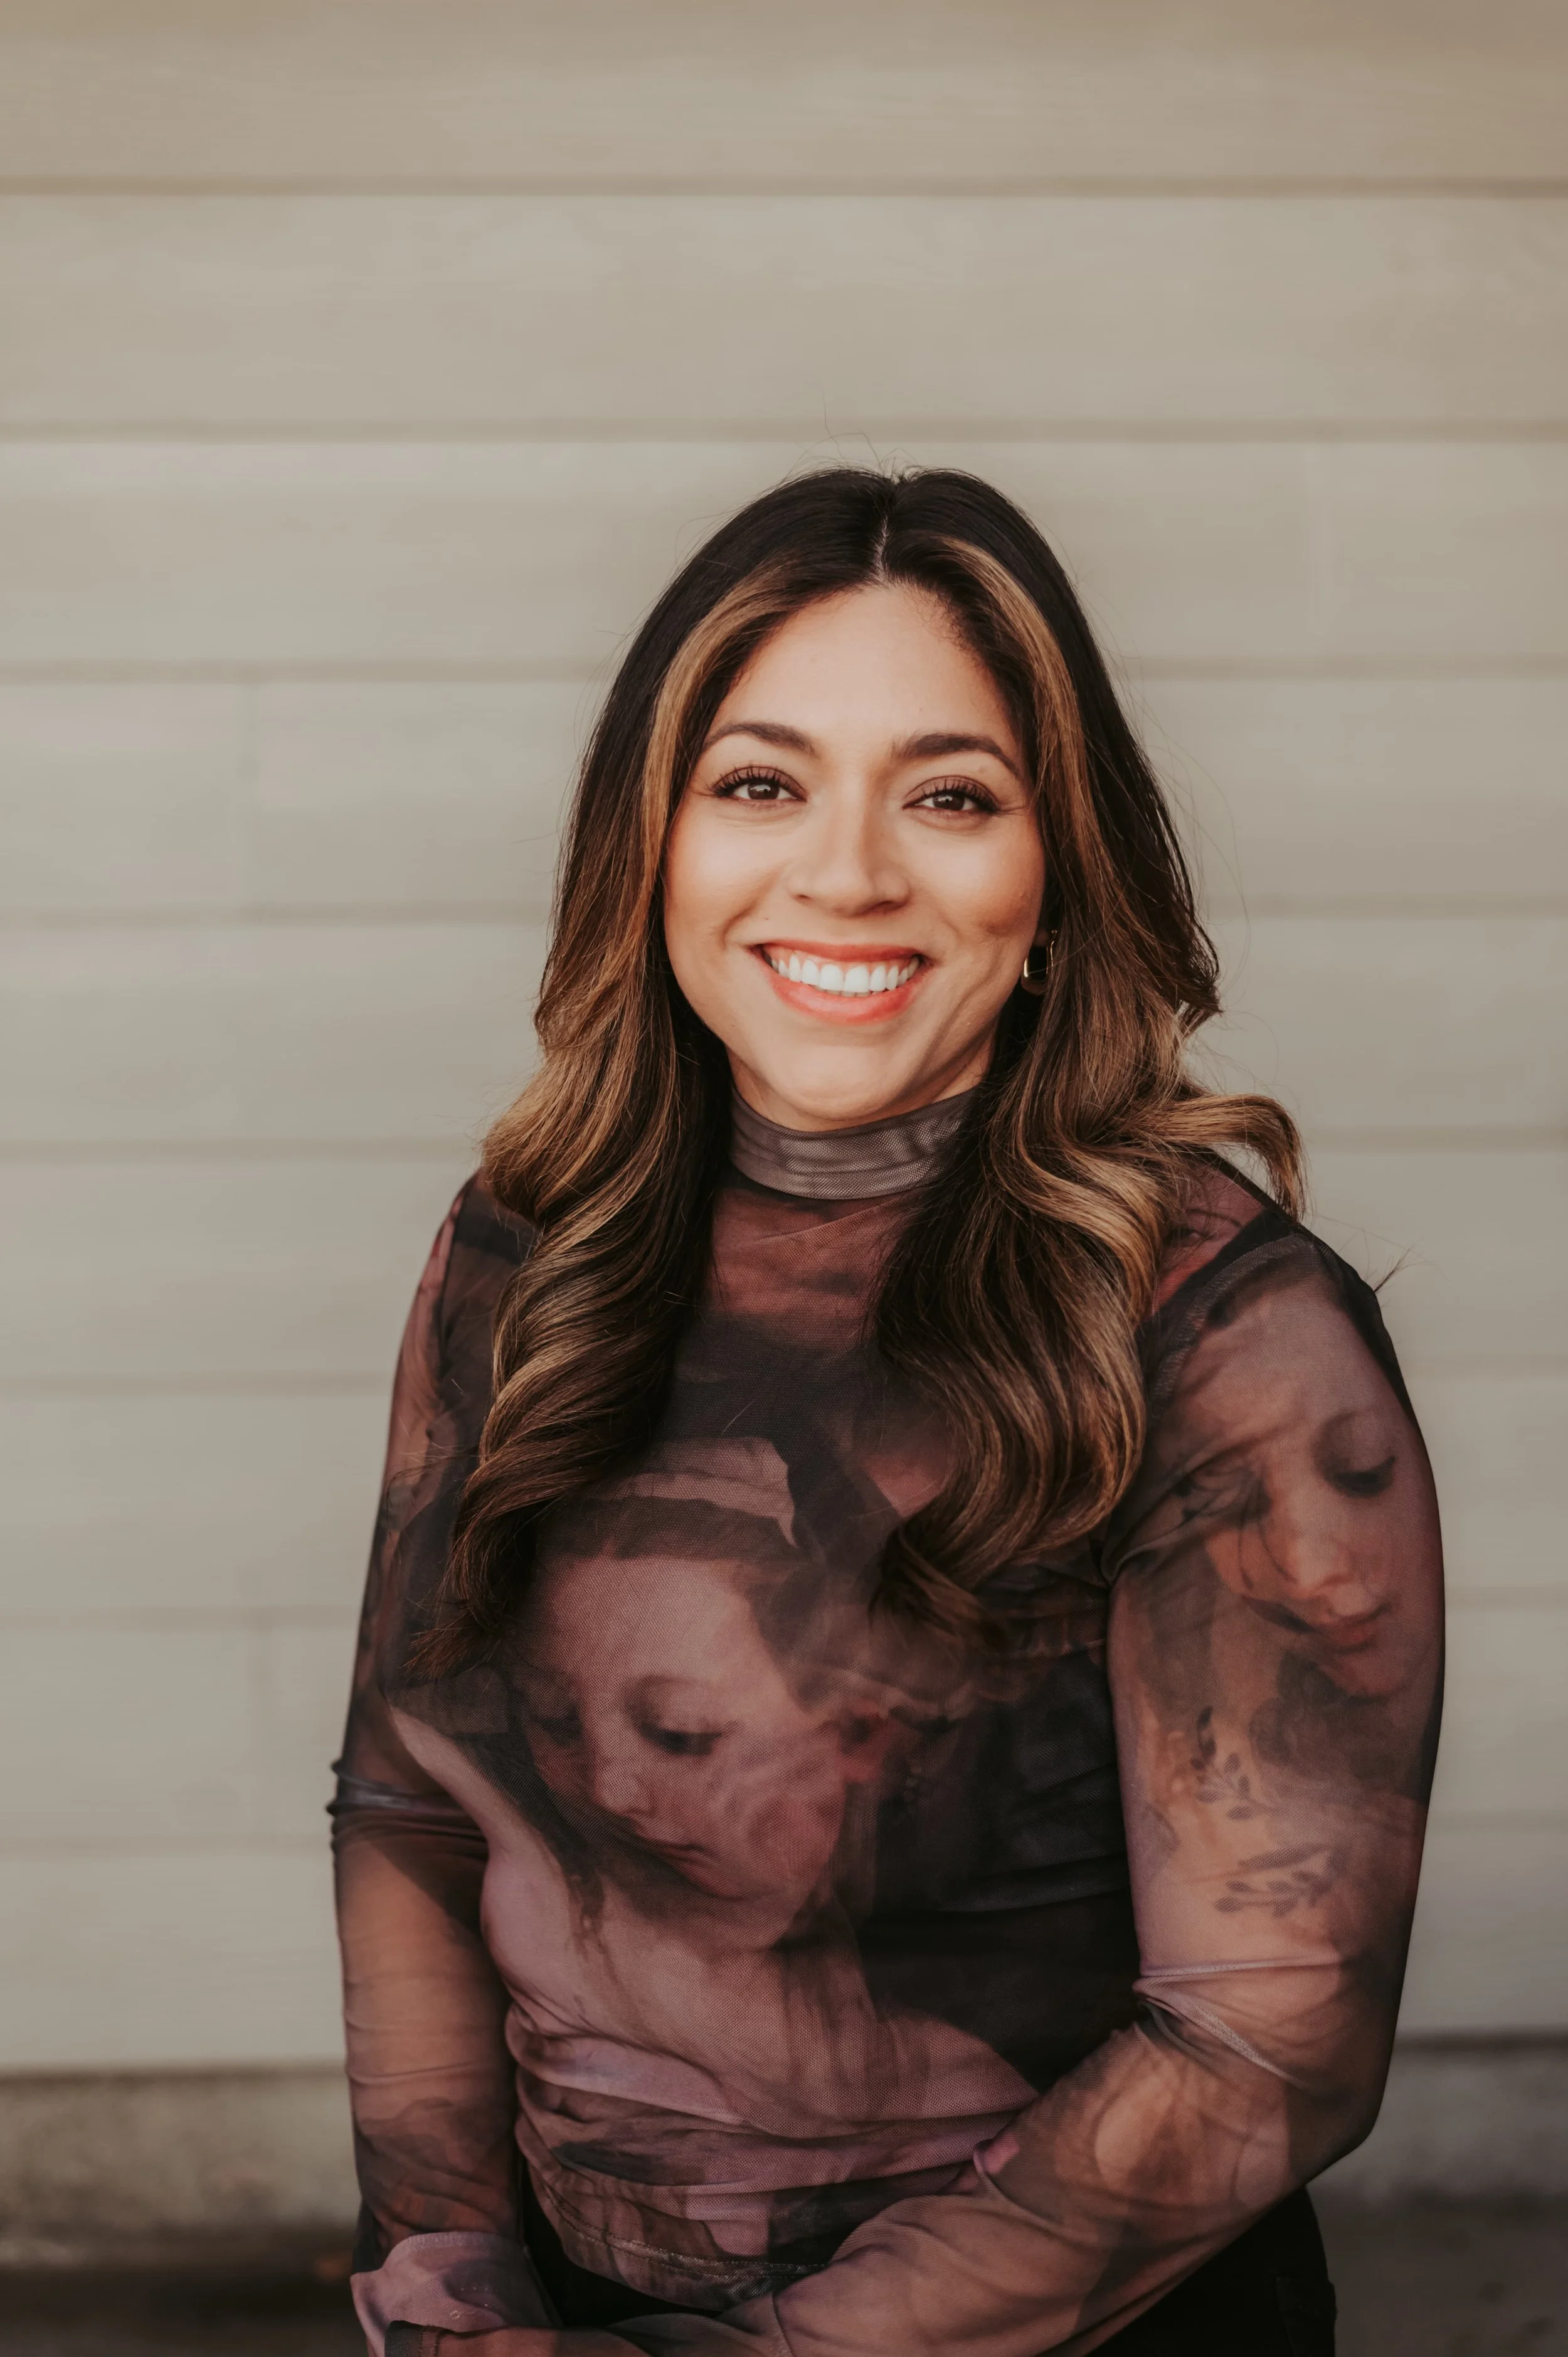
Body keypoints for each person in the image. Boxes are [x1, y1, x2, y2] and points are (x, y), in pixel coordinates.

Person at [332, 468, 1443, 2356]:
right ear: (650, 841)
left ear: (1058, 871)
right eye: (759, 783)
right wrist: (445, 2283)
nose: (845, 874)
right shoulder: (529, 1243)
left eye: (950, 796)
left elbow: (1269, 2038)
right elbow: (410, 1807)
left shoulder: (1225, 1330)